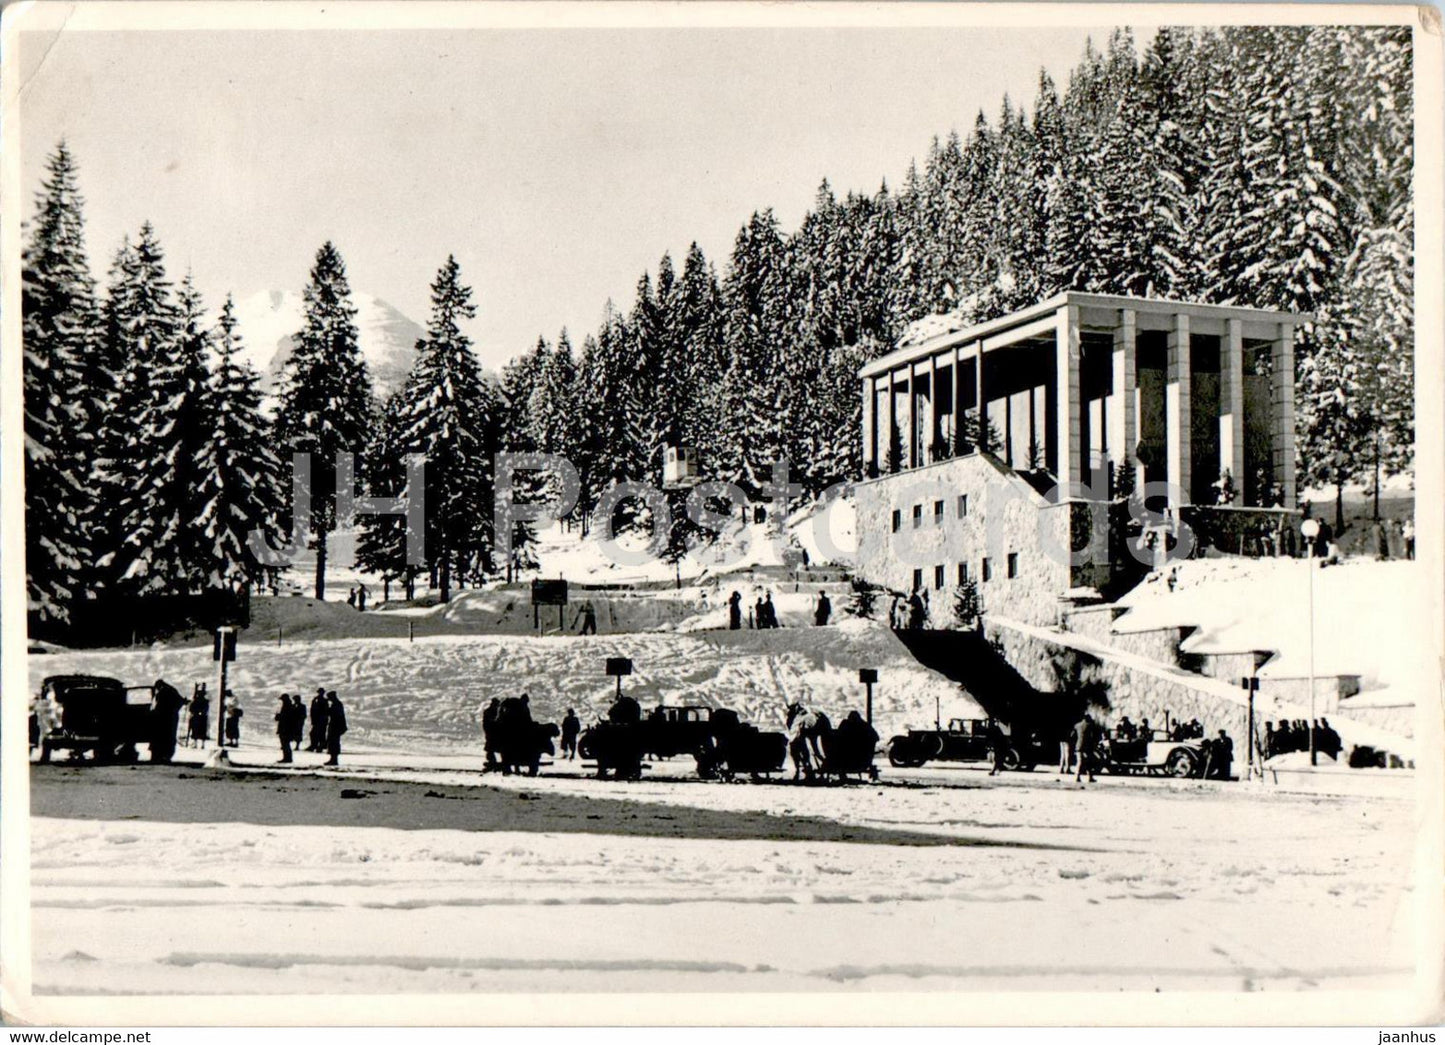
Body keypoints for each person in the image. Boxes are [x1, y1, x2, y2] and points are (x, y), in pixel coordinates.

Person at [149, 678, 187, 764]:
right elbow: (181, 702)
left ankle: (158, 756)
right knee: (169, 737)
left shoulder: (161, 693)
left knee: (159, 737)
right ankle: (167, 756)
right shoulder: (173, 691)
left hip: (161, 719)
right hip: (172, 718)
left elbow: (156, 707)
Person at [324, 691, 347, 766]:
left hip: (336, 726)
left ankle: (334, 759)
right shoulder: (336, 704)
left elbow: (333, 714)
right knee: (332, 742)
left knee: (334, 742)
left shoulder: (337, 704)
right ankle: (333, 758)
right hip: (335, 726)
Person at [1074, 715, 1099, 783]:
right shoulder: (1090, 726)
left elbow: (1073, 736)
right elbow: (1094, 736)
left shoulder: (1077, 725)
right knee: (1089, 762)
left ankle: (1077, 776)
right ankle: (1090, 777)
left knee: (1079, 762)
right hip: (1087, 747)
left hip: (1078, 746)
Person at [276, 693, 296, 763]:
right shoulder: (288, 706)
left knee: (285, 743)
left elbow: (287, 718)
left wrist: (279, 717)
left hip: (286, 728)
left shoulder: (287, 706)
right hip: (286, 728)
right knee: (285, 744)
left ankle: (287, 758)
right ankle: (287, 757)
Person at [482, 697, 501, 769]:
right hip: (492, 732)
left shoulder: (495, 711)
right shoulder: (490, 712)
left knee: (490, 748)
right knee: (490, 748)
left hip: (493, 732)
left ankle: (492, 761)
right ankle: (492, 761)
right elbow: (489, 722)